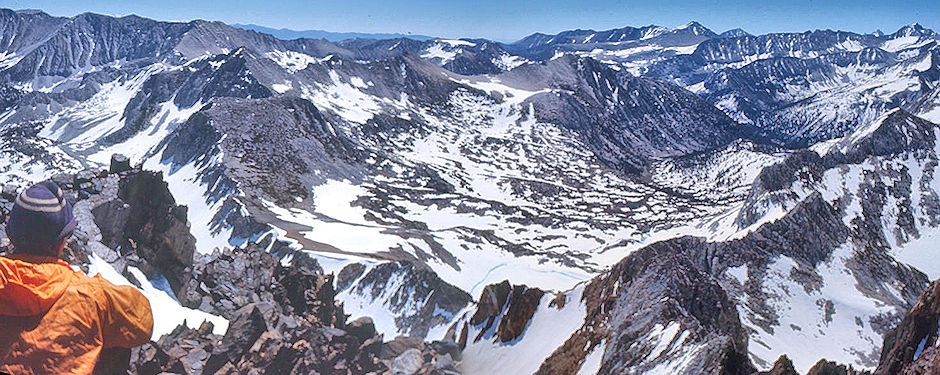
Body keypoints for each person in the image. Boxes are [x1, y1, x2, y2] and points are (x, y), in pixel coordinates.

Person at [0, 180, 153, 374]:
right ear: (61, 243)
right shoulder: (92, 295)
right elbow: (143, 325)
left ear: (11, 235)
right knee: (114, 335)